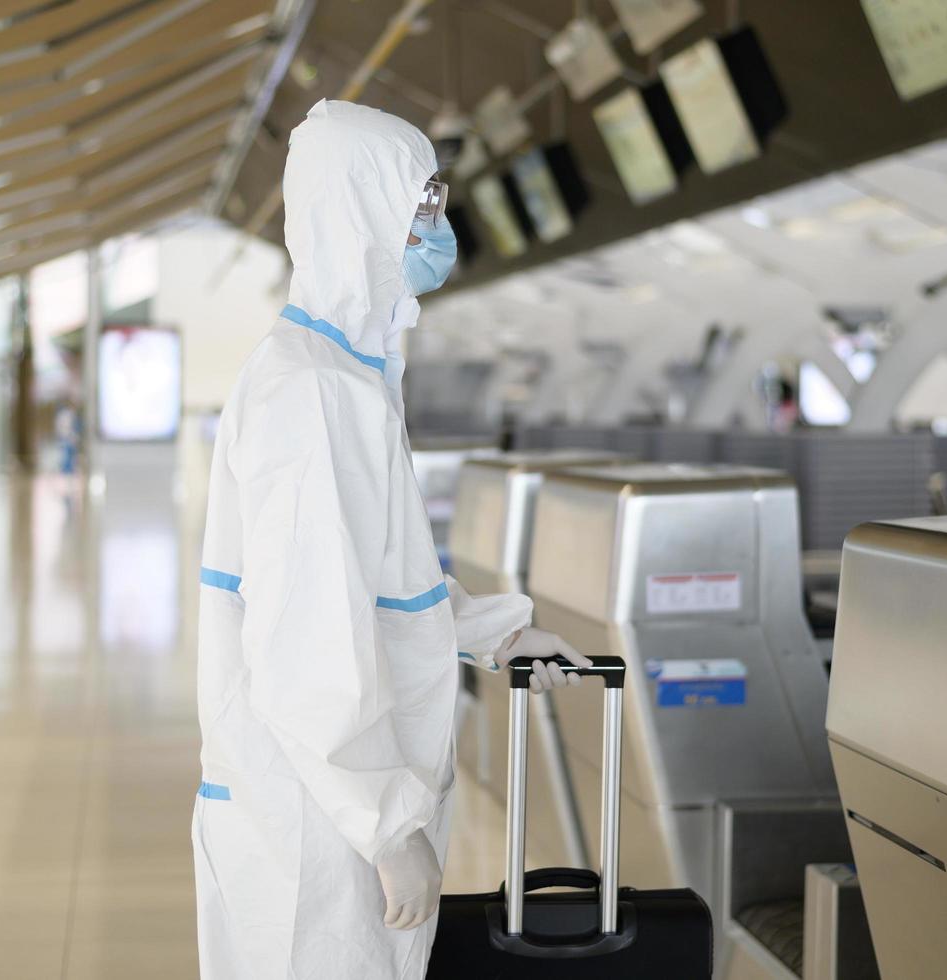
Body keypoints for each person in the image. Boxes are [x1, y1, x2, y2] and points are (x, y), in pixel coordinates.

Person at [192, 100, 590, 980]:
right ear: (360, 214)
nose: (437, 227)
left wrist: (499, 633)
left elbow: (384, 578)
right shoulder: (312, 394)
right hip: (315, 824)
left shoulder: (347, 377)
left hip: (323, 808)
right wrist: (384, 825)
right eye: (421, 205)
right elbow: (305, 639)